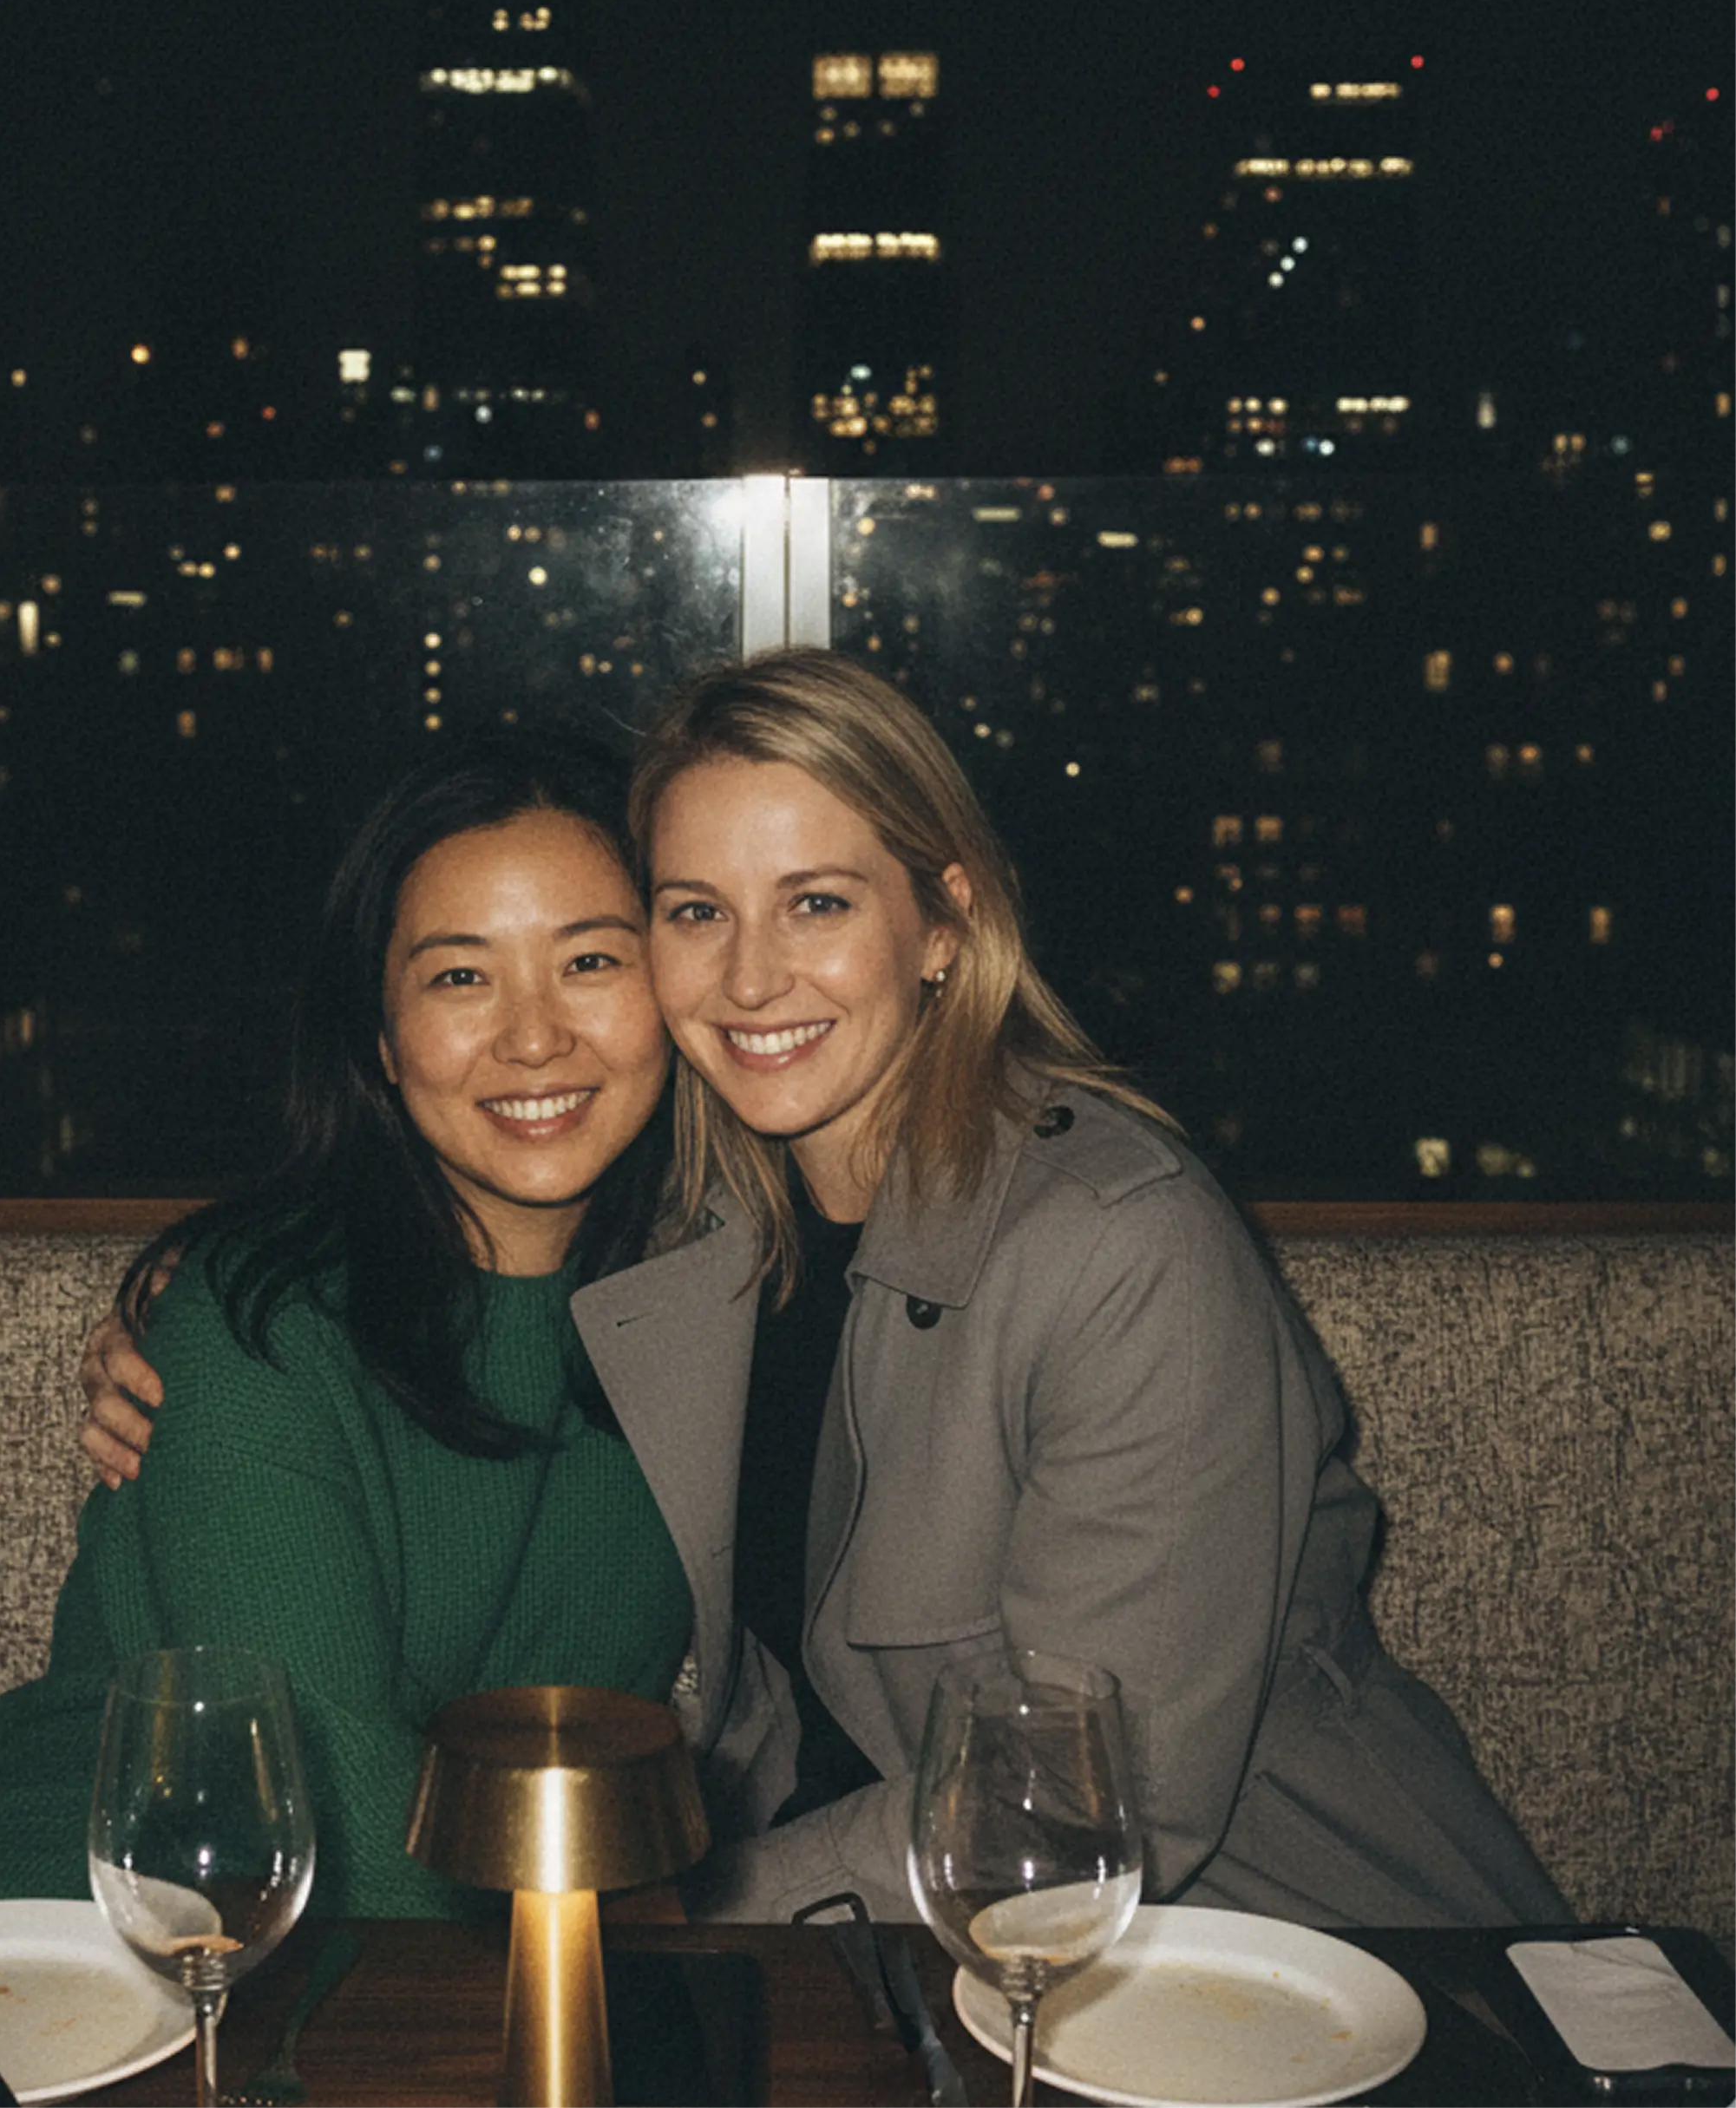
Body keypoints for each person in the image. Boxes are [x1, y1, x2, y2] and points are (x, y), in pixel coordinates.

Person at [86, 648, 1567, 1930]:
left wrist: (673, 1916)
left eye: (814, 902)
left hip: (1282, 1950)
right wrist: (206, 1294)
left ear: (941, 924)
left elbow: (1090, 1811)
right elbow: (434, 1247)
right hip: (895, 1958)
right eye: (692, 911)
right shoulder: (710, 1232)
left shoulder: (1118, 1245)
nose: (747, 977)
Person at [0, 731, 691, 1917]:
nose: (533, 1036)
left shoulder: (716, 1309)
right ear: (379, 1040)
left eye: (588, 960)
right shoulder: (254, 1320)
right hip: (77, 1924)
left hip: (434, 1957)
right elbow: (332, 1804)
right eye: (459, 977)